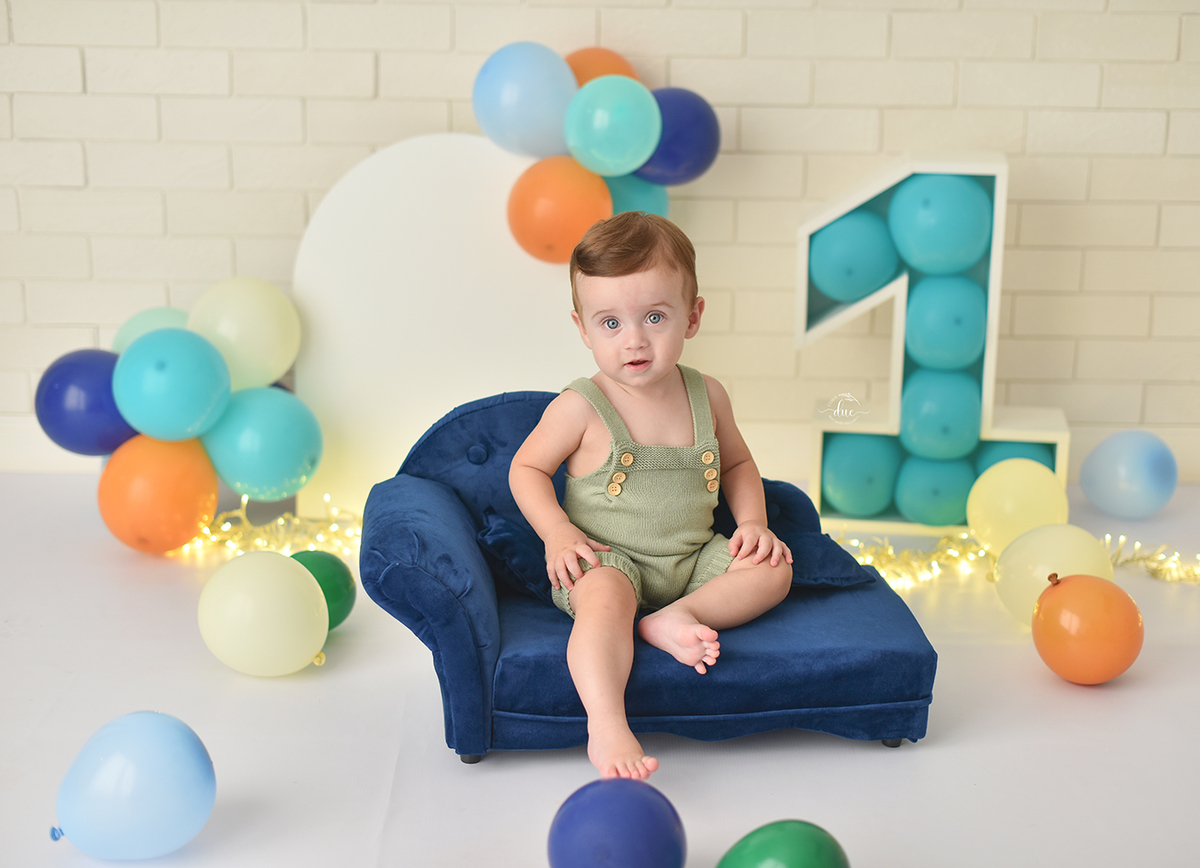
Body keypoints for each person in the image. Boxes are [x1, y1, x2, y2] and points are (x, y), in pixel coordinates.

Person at [509, 212, 794, 780]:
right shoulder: (581, 406)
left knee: (775, 569)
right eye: (610, 323)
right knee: (603, 599)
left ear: (693, 316)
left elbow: (737, 463)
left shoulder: (707, 394)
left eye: (655, 317)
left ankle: (676, 617)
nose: (634, 340)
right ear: (583, 328)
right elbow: (526, 469)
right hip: (608, 560)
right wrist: (558, 533)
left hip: (692, 560)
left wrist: (753, 524)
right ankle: (607, 722)